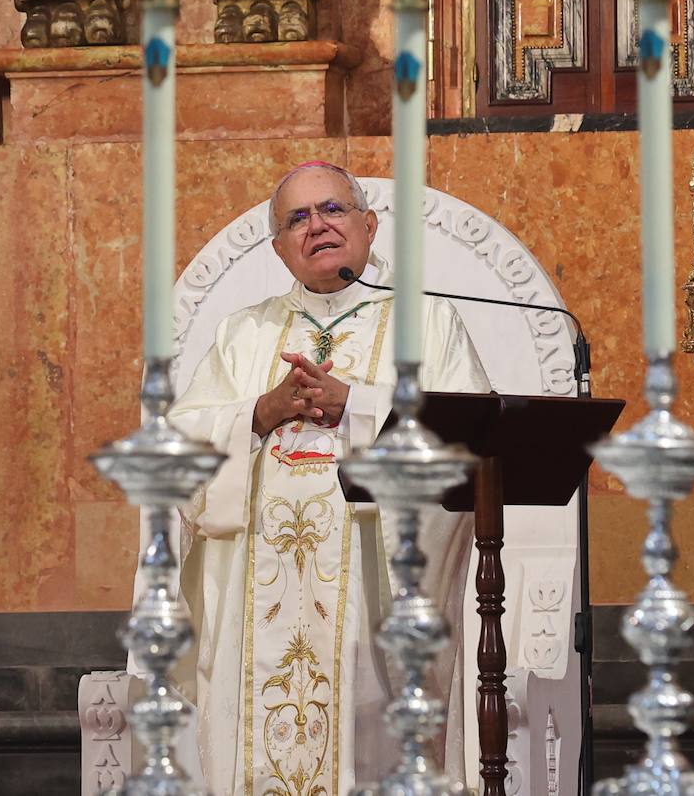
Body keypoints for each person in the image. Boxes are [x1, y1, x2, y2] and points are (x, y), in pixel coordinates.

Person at [170, 161, 491, 794]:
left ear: (369, 227)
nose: (316, 225)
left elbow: (467, 448)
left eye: (332, 210)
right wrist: (260, 413)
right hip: (254, 602)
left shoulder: (425, 324)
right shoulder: (244, 335)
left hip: (373, 599)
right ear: (279, 248)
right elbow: (178, 452)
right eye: (297, 218)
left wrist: (360, 409)